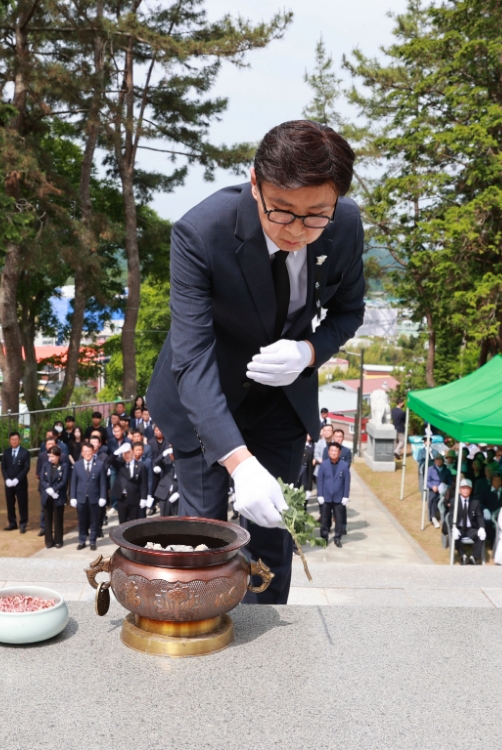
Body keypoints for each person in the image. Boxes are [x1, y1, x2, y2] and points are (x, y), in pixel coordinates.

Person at [146, 121, 365, 606]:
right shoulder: (201, 232)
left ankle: (267, 637)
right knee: (203, 535)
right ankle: (201, 622)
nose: (297, 230)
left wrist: (308, 352)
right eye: (282, 211)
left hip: (280, 399)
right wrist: (238, 462)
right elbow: (192, 356)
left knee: (273, 536)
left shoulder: (346, 224)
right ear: (255, 183)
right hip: (205, 394)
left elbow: (349, 312)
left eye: (316, 216)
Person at [71, 442, 106, 551]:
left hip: (94, 498)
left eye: (89, 451)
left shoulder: (99, 465)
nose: (87, 453)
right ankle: (82, 541)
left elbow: (103, 483)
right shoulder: (77, 465)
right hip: (81, 498)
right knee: (82, 521)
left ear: (93, 452)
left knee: (94, 521)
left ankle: (92, 541)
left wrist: (103, 497)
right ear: (82, 453)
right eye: (85, 451)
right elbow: (73, 482)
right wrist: (72, 497)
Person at [315, 442, 350, 547]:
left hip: (339, 497)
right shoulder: (324, 464)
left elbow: (346, 482)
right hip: (326, 496)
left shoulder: (344, 465)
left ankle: (337, 538)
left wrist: (345, 496)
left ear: (339, 453)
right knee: (325, 519)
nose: (333, 453)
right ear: (329, 452)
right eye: (332, 450)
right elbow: (320, 481)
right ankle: (324, 537)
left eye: (336, 451)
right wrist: (320, 494)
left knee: (339, 519)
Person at [0, 431, 31, 533]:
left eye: (16, 439)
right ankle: (12, 523)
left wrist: (17, 479)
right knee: (10, 504)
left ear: (19, 440)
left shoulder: (25, 452)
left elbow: (26, 468)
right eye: (12, 439)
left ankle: (23, 524)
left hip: (21, 483)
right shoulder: (6, 452)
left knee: (22, 504)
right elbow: (3, 467)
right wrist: (6, 479)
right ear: (10, 441)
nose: (14, 441)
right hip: (9, 483)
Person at [110, 442, 149, 524]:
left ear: (132, 452)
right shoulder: (120, 464)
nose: (126, 455)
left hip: (134, 497)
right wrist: (118, 451)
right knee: (122, 522)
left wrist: (144, 498)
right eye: (124, 453)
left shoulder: (140, 465)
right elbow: (110, 460)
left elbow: (144, 484)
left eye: (128, 452)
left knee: (133, 522)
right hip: (122, 498)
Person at [451, 478, 487, 565]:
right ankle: (462, 555)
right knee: (456, 535)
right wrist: (453, 527)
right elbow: (451, 517)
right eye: (463, 488)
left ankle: (474, 557)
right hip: (459, 528)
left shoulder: (475, 502)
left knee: (480, 535)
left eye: (468, 488)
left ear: (471, 490)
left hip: (470, 528)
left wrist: (482, 528)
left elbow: (479, 516)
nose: (465, 490)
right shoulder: (454, 501)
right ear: (460, 489)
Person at [41, 445, 69, 549]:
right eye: (49, 456)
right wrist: (48, 489)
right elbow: (42, 479)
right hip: (47, 495)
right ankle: (49, 541)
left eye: (53, 456)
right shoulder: (46, 465)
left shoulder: (64, 466)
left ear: (58, 456)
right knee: (47, 519)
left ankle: (58, 540)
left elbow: (64, 481)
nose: (51, 458)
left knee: (58, 519)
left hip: (58, 496)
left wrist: (54, 490)